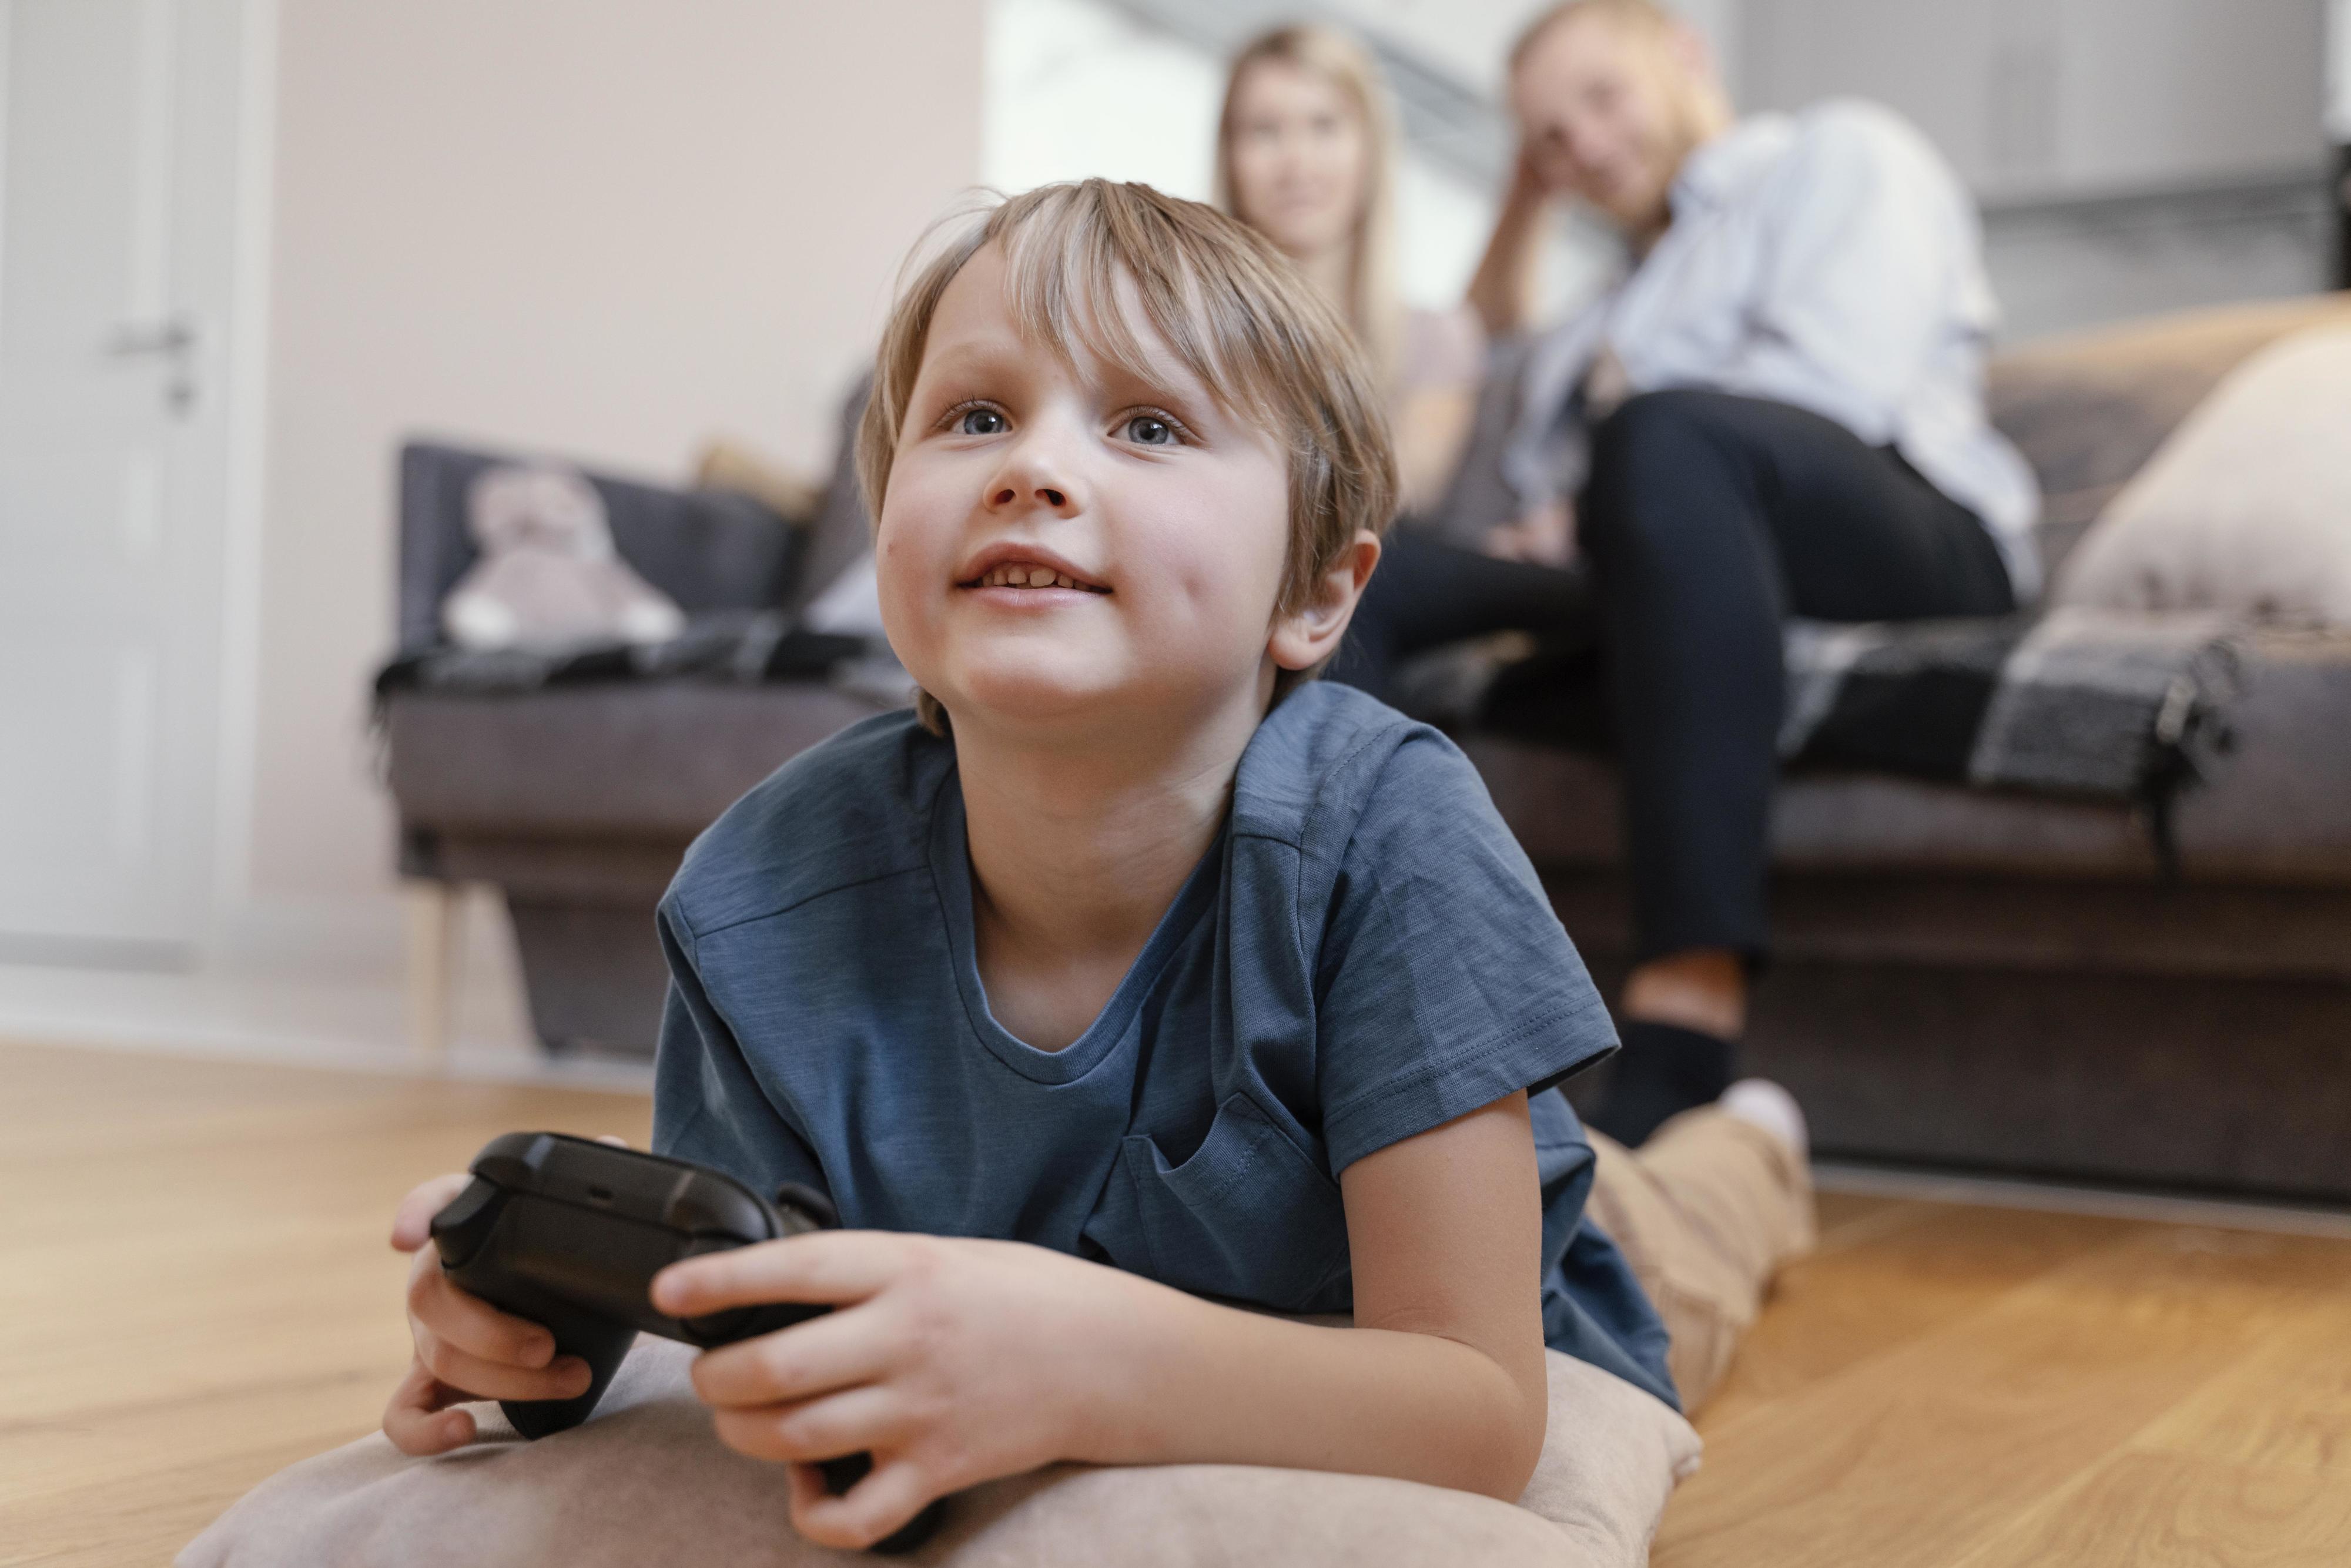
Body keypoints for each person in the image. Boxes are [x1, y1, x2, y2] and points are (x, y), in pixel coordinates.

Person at [376, 180, 1811, 1553]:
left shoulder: (1389, 831)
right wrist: (549, 1330)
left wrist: (1077, 1362)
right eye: (976, 415)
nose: (1032, 467)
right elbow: (765, 1310)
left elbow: (1481, 1406)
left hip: (1530, 1253)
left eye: (1146, 425)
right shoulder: (764, 888)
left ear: (1315, 595)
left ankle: (1755, 1141)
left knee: (1690, 1214)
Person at [1337, 0, 2038, 1146]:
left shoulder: (1833, 155)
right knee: (1375, 568)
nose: (1586, 148)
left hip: (1908, 529)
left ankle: (1686, 1009)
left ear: (1683, 55)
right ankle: (1346, 994)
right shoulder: (1597, 313)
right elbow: (1478, 359)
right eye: (1550, 141)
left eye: (1600, 100)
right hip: (1664, 567)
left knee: (1664, 439)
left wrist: (1611, 482)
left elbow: (1832, 391)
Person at [1217, 24, 1485, 518]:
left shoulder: (1436, 340)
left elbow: (1392, 505)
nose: (1297, 162)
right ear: (1229, 157)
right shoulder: (1186, 327)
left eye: (1324, 126)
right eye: (1264, 131)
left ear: (1371, 148)